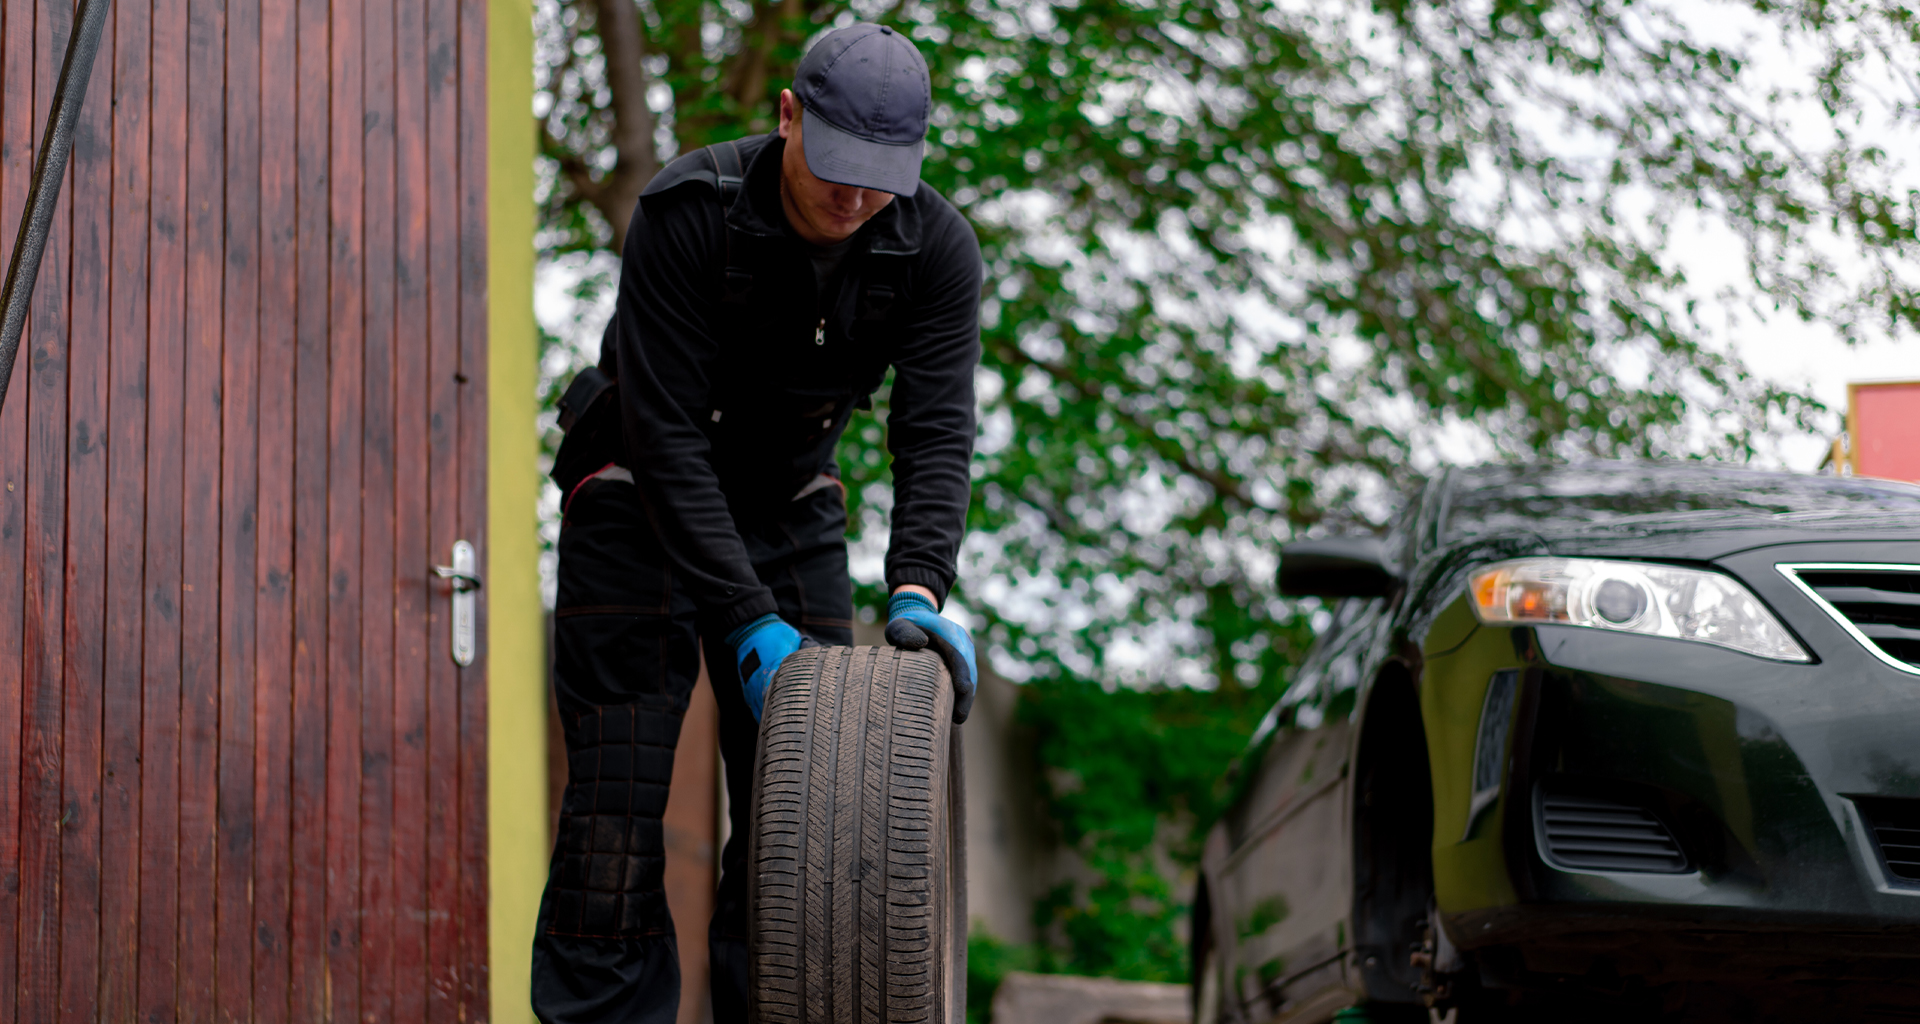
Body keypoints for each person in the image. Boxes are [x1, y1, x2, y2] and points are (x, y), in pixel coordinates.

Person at [530, 22, 983, 1024]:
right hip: (638, 491)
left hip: (789, 504)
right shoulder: (684, 213)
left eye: (880, 177)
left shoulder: (937, 251)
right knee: (617, 803)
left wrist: (919, 589)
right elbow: (666, 437)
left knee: (807, 824)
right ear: (788, 116)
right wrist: (746, 617)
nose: (854, 199)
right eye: (836, 168)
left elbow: (937, 431)